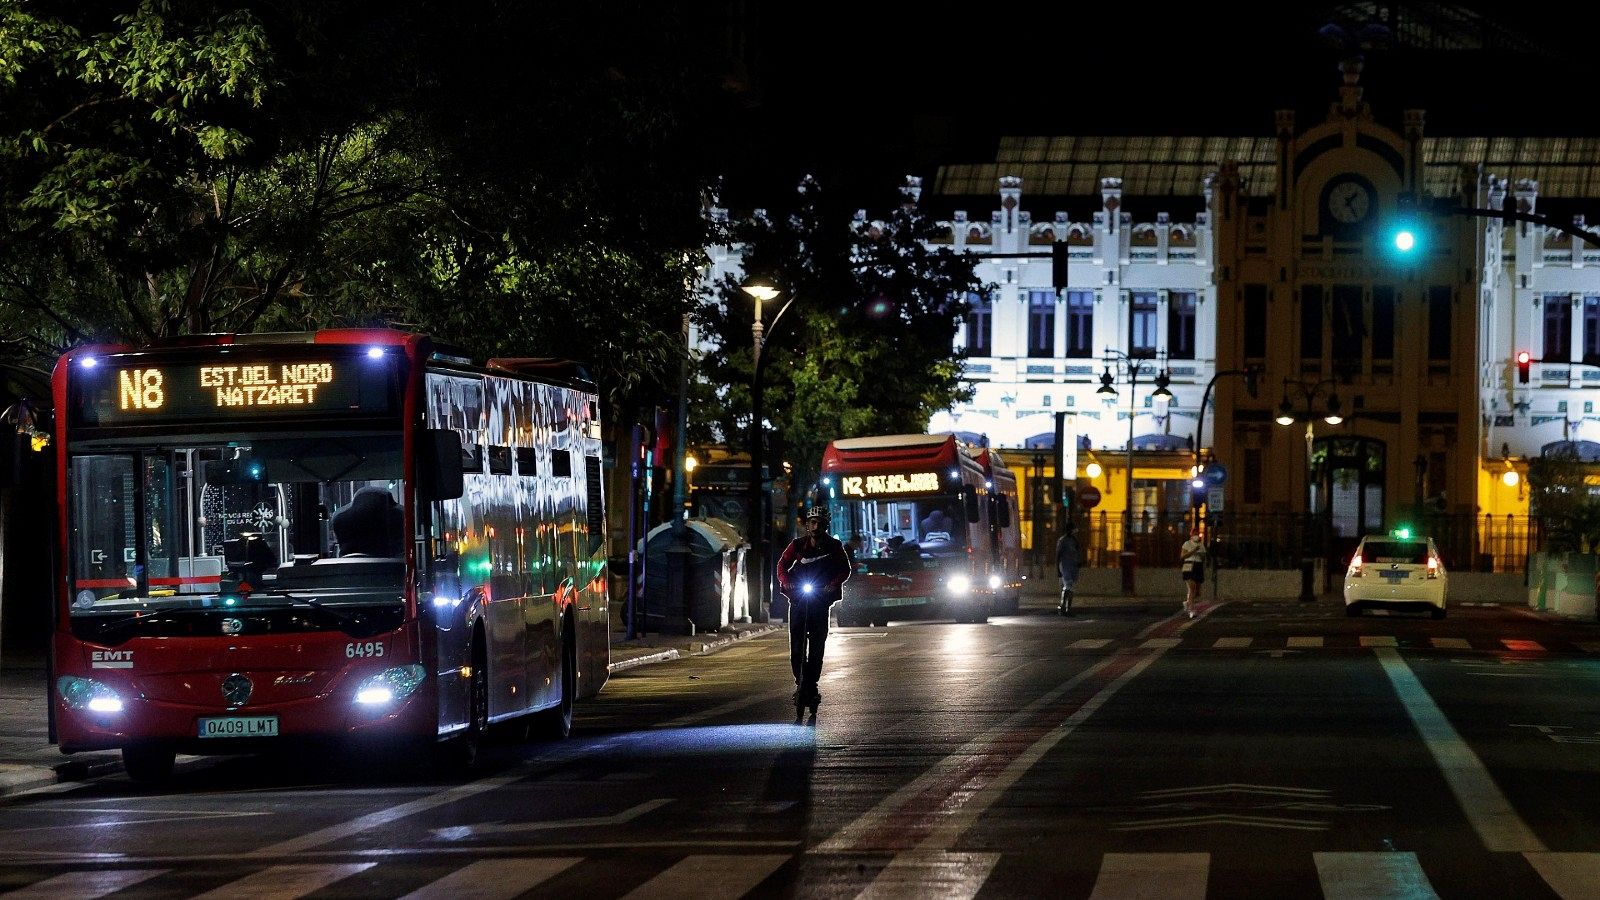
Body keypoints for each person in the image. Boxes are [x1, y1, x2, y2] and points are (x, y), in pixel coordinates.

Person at [775, 506, 852, 713]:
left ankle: (812, 683)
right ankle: (800, 683)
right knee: (797, 645)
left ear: (825, 525)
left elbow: (845, 569)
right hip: (799, 600)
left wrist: (833, 584)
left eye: (819, 523)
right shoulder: (797, 545)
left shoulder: (834, 546)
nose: (815, 526)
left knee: (817, 645)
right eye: (812, 523)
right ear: (807, 525)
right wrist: (786, 582)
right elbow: (782, 565)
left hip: (820, 600)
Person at [1180, 526, 1207, 618]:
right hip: (1189, 565)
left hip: (1198, 566)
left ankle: (1188, 602)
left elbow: (1203, 557)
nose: (1196, 536)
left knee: (1197, 591)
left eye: (1197, 534)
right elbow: (1183, 556)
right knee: (1192, 587)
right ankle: (1191, 609)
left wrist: (1201, 554)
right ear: (1191, 535)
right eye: (1194, 534)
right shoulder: (1187, 544)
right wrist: (1193, 551)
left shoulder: (1201, 545)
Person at [1055, 524, 1080, 616]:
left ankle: (1066, 608)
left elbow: (1077, 553)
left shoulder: (1074, 541)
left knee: (1071, 588)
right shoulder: (1063, 541)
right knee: (1068, 586)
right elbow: (1058, 555)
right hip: (1065, 566)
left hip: (1073, 567)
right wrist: (1058, 569)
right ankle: (1064, 607)